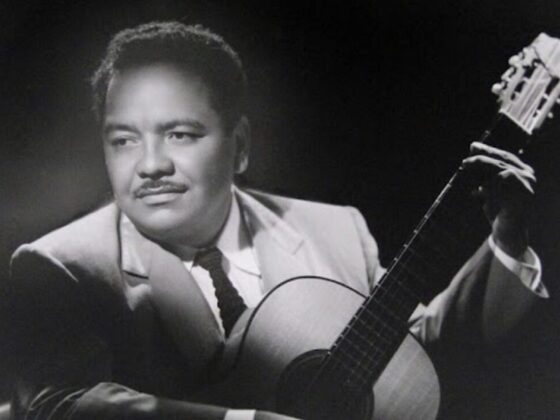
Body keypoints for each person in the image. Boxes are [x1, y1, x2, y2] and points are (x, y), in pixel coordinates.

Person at [6, 21, 548, 420]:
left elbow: (411, 367)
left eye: (180, 134)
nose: (150, 165)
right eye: (124, 140)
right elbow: (58, 405)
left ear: (240, 145)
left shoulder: (336, 231)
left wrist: (506, 243)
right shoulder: (62, 265)